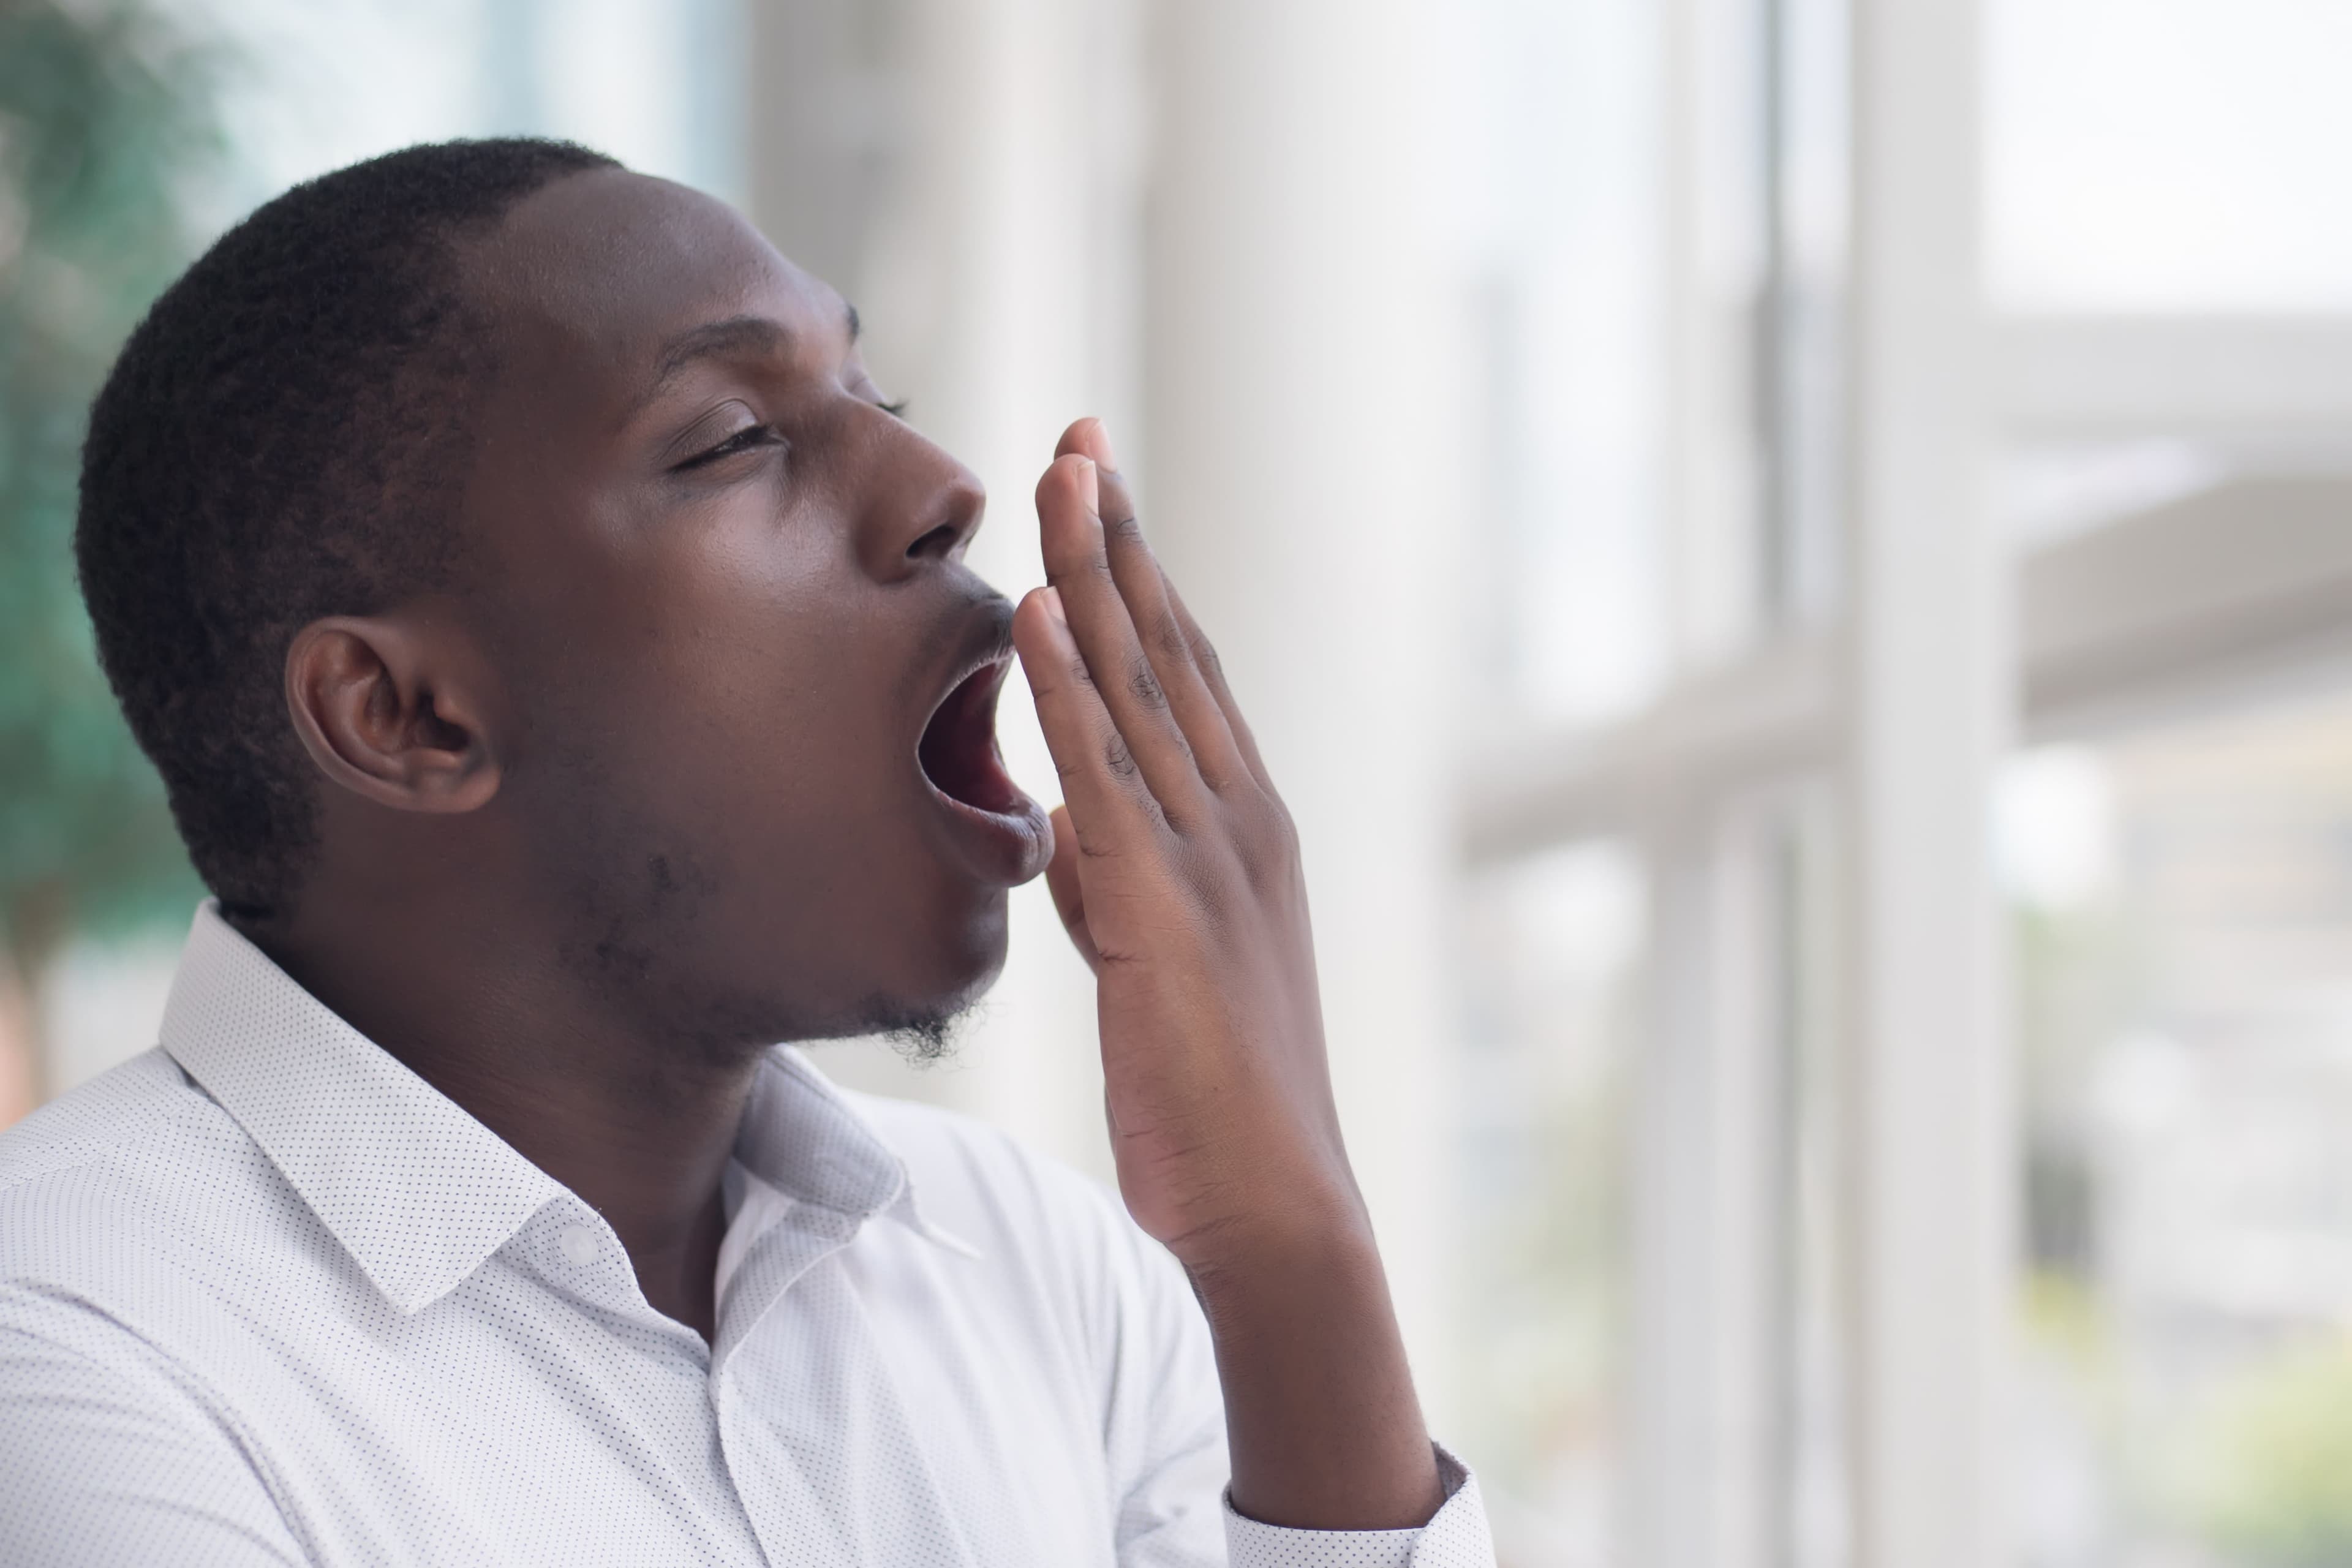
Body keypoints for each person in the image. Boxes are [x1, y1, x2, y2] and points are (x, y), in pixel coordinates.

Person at [0, 140, 1492, 1566]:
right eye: (736, 440)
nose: (945, 485)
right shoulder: (69, 1347)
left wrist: (1290, 1245)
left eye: (877, 392)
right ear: (409, 716)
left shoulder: (1044, 1269)